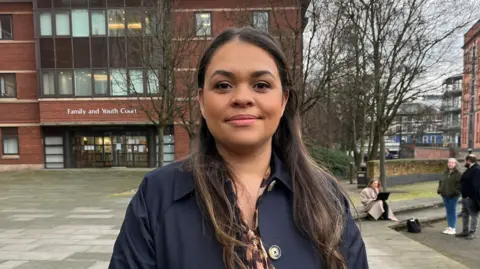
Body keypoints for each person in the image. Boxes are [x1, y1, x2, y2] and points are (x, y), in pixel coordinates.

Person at [108, 27, 368, 269]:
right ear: (201, 101)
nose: (242, 98)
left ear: (283, 100)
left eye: (261, 85)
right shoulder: (157, 195)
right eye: (223, 85)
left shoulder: (326, 197)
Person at [456, 154, 480, 240]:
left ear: (469, 161)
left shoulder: (476, 170)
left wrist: (473, 197)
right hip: (465, 197)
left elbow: (476, 186)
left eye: (465, 161)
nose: (464, 163)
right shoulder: (469, 169)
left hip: (471, 198)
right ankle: (465, 231)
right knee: (465, 214)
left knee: (474, 215)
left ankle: (472, 232)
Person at [437, 158, 462, 235]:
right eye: (449, 162)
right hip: (445, 195)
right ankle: (449, 226)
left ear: (455, 164)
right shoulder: (445, 172)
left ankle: (453, 228)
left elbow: (461, 185)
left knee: (452, 211)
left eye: (452, 162)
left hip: (453, 196)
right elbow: (441, 182)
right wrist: (440, 189)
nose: (450, 164)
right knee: (448, 211)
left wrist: (455, 192)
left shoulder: (458, 174)